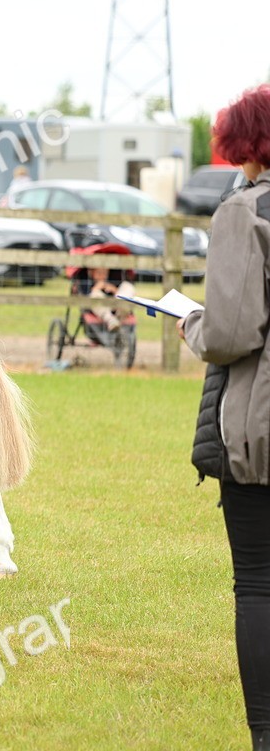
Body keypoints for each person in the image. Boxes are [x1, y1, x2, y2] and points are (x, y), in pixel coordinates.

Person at [177, 83, 270, 751]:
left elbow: (231, 332)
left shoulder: (246, 211)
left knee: (258, 584)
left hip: (260, 428)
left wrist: (190, 323)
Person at [87, 265, 134, 331]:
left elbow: (122, 293)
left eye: (105, 273)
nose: (102, 276)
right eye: (99, 273)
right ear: (91, 273)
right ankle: (111, 320)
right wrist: (96, 288)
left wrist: (114, 290)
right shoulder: (88, 283)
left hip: (118, 308)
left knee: (127, 286)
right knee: (94, 295)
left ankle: (117, 318)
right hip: (103, 312)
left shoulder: (113, 281)